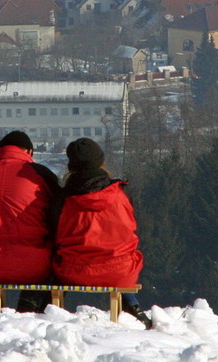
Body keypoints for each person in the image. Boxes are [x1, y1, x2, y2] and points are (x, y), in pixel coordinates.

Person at [51, 137, 152, 328]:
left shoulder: (63, 198)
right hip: (120, 272)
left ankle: (45, 309)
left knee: (51, 259)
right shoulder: (121, 193)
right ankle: (132, 306)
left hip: (74, 271)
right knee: (122, 254)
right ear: (100, 162)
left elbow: (54, 233)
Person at [0, 130, 60, 312]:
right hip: (33, 266)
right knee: (54, 255)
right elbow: (57, 212)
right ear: (29, 152)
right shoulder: (41, 174)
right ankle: (29, 307)